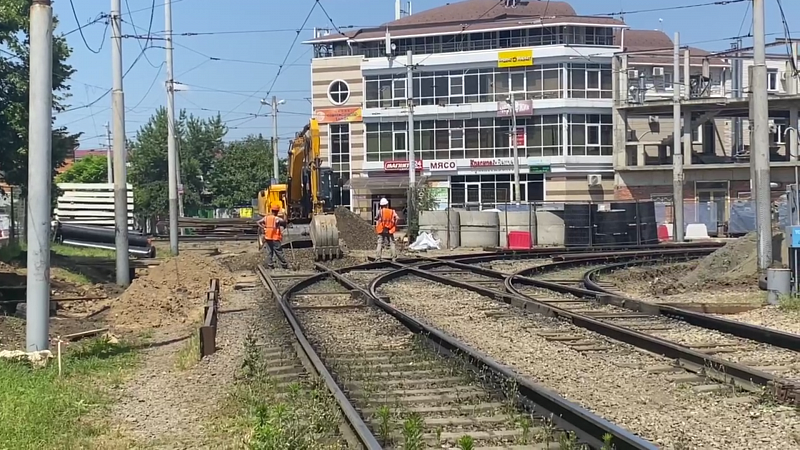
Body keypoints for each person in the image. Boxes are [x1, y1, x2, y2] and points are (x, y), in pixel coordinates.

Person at [257, 204, 289, 269]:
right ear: (277, 211)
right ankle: (284, 264)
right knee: (278, 251)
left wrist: (263, 227)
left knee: (269, 251)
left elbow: (258, 222)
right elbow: (284, 221)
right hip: (275, 237)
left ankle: (270, 265)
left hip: (268, 237)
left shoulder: (266, 218)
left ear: (272, 210)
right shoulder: (276, 218)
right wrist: (285, 215)